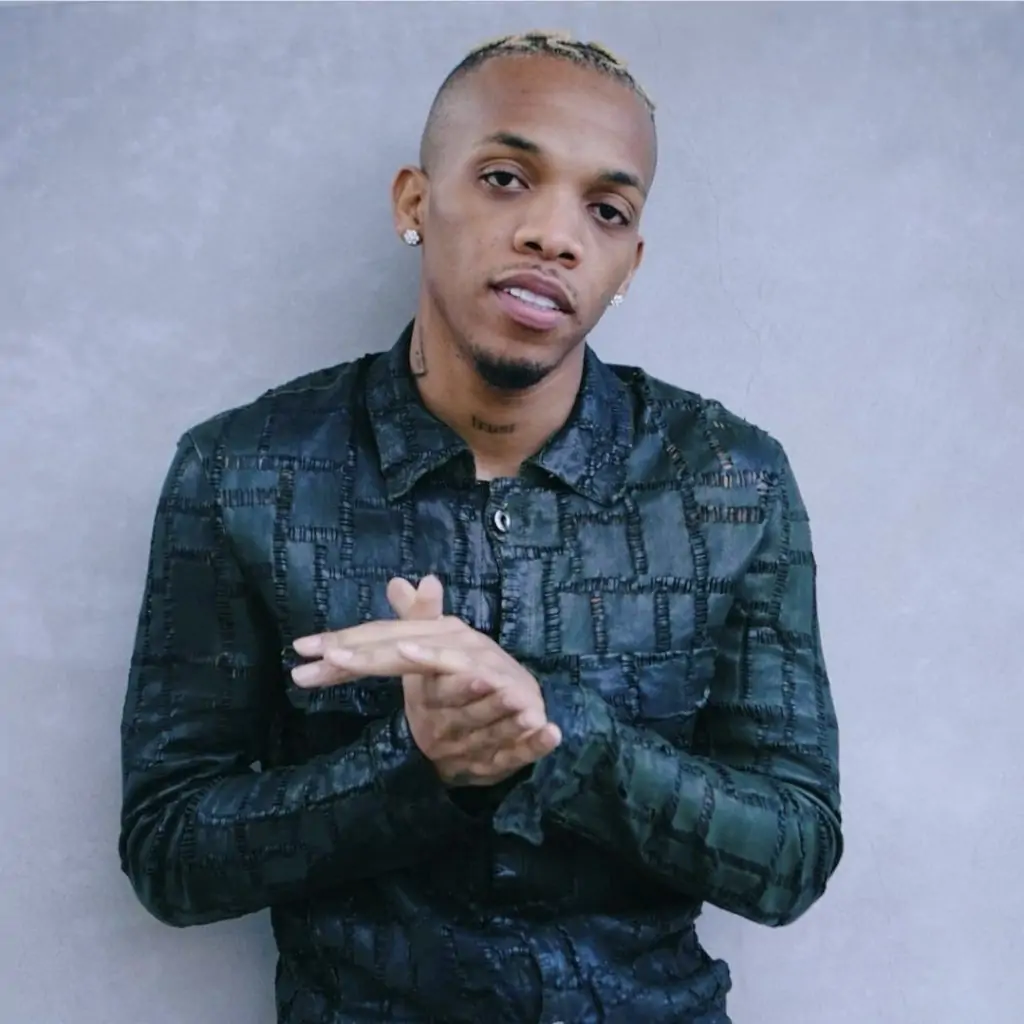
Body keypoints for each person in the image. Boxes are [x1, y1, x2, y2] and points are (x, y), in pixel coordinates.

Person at [119, 30, 842, 1024]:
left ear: (628, 262)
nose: (554, 235)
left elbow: (793, 854)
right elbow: (169, 853)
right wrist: (415, 768)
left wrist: (554, 732)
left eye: (605, 209)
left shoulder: (729, 480)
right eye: (506, 179)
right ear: (414, 202)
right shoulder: (242, 472)